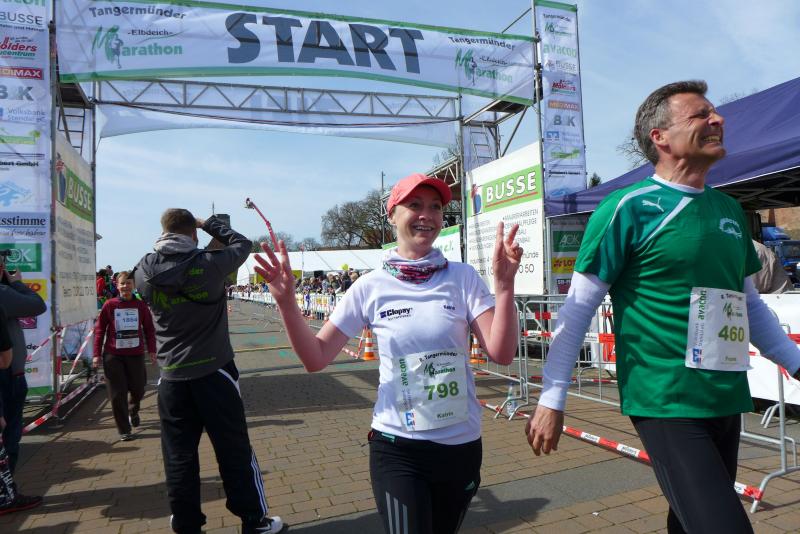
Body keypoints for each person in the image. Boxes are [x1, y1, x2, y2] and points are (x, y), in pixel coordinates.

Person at [525, 81, 800, 534]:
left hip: (726, 396)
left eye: (715, 112)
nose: (718, 119)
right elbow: (576, 313)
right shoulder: (627, 208)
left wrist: (796, 362)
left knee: (689, 520)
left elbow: (748, 306)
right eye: (700, 115)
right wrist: (552, 399)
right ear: (661, 137)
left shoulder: (729, 210)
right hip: (665, 399)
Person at [254, 173, 523, 534]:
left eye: (436, 207)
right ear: (392, 214)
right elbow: (316, 358)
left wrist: (504, 287)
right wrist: (287, 303)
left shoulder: (463, 278)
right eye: (414, 205)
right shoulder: (370, 286)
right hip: (399, 448)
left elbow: (501, 353)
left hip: (460, 446)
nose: (426, 215)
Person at [133, 209, 284, 534]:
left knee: (178, 456)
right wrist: (209, 223)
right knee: (234, 450)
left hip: (171, 376)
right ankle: (253, 521)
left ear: (163, 231)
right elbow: (242, 243)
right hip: (215, 372)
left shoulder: (144, 270)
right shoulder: (209, 263)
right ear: (193, 233)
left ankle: (186, 524)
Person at [0, 261, 46, 512]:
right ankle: (6, 494)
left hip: (10, 376)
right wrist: (17, 283)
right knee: (9, 439)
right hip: (7, 378)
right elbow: (37, 305)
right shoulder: (4, 293)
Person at [93, 270, 156, 441]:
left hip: (135, 354)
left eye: (128, 283)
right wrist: (96, 354)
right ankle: (124, 430)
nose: (125, 286)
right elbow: (100, 330)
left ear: (133, 285)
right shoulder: (110, 305)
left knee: (139, 389)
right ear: (117, 285)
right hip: (113, 355)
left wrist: (152, 350)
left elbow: (149, 329)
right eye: (122, 283)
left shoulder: (140, 306)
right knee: (117, 393)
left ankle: (133, 410)